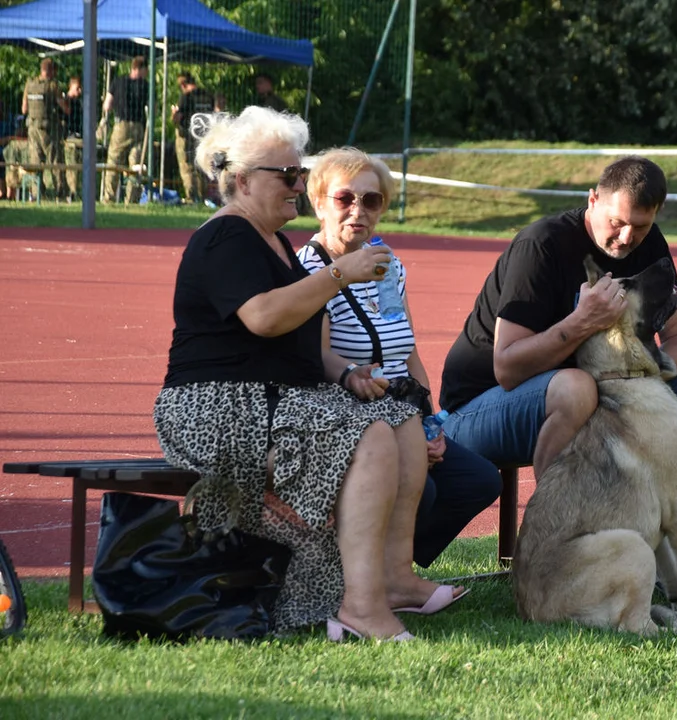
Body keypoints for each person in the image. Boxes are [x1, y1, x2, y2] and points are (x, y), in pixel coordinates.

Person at [153, 106, 466, 642]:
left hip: (270, 401)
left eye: (300, 173)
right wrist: (340, 272)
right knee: (366, 433)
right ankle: (363, 607)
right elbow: (266, 317)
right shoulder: (226, 237)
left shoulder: (273, 243)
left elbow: (305, 344)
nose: (299, 184)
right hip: (219, 408)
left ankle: (390, 581)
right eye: (289, 176)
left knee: (395, 416)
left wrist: (346, 379)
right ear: (244, 180)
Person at [439, 155, 677, 519]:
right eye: (617, 222)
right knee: (578, 388)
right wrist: (583, 322)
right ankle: (558, 545)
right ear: (593, 200)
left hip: (595, 393)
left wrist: (637, 377)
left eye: (640, 226)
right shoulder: (542, 245)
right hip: (479, 411)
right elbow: (507, 368)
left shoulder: (648, 244)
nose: (627, 238)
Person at [296, 147, 502, 568]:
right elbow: (314, 358)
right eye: (345, 198)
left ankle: (390, 565)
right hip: (345, 417)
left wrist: (428, 425)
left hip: (402, 413)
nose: (359, 210)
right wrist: (356, 378)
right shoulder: (308, 271)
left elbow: (406, 350)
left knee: (478, 480)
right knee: (421, 489)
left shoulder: (389, 266)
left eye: (371, 200)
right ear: (319, 202)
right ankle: (363, 571)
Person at [101, 56, 149, 204]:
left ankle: (109, 198)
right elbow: (151, 108)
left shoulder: (118, 81)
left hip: (121, 126)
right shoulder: (146, 85)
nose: (147, 73)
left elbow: (107, 105)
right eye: (145, 70)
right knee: (135, 163)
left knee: (114, 161)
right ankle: (132, 200)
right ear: (140, 69)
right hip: (139, 127)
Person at [21, 57, 69, 201]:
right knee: (55, 162)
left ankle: (37, 195)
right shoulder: (52, 86)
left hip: (32, 129)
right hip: (48, 130)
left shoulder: (29, 85)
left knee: (35, 162)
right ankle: (61, 194)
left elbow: (24, 109)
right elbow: (65, 109)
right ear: (50, 70)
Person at [170, 73, 214, 203]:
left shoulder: (186, 97)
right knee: (201, 166)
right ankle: (202, 196)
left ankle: (191, 197)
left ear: (183, 85)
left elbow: (178, 118)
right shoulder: (207, 95)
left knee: (187, 167)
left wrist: (173, 115)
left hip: (187, 136)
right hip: (203, 136)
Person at [62, 75, 83, 203]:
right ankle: (72, 192)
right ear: (71, 86)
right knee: (72, 166)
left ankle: (75, 191)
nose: (79, 91)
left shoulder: (79, 102)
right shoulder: (66, 101)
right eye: (77, 88)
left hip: (78, 138)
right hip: (68, 138)